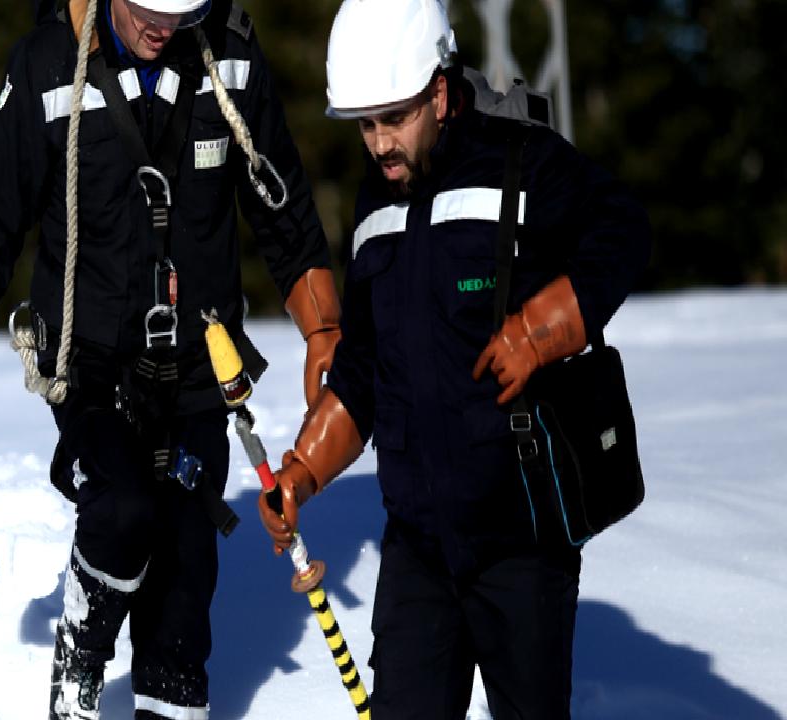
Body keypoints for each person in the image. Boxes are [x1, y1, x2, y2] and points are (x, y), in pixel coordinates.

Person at [0, 0, 340, 717]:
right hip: (89, 365)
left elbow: (284, 208)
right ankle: (80, 665)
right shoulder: (49, 64)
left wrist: (324, 328)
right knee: (121, 511)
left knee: (182, 592)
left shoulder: (230, 57)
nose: (163, 25)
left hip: (201, 366)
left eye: (182, 9)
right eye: (149, 8)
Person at [257, 0, 651, 717]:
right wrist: (304, 470)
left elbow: (623, 229)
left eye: (394, 118)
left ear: (439, 93)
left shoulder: (522, 161)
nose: (378, 144)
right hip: (417, 547)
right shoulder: (375, 211)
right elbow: (362, 371)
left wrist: (541, 330)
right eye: (365, 125)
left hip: (522, 539)